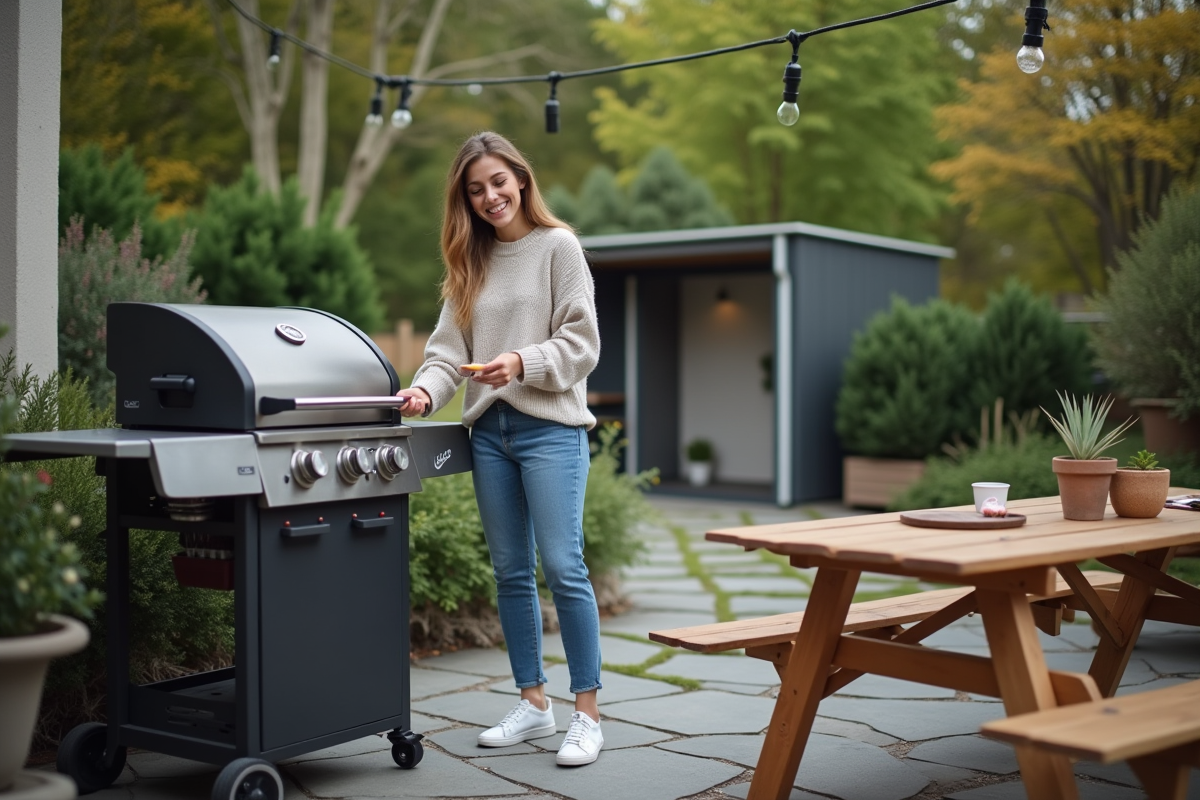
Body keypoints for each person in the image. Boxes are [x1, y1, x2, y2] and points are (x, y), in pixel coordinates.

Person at [394, 131, 604, 767]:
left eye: (498, 182)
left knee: (564, 570)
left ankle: (587, 716)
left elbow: (582, 342)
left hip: (550, 431)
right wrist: (426, 396)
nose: (490, 197)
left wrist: (519, 361)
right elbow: (445, 353)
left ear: (521, 179)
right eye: (475, 189)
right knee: (511, 574)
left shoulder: (557, 247)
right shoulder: (470, 263)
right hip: (489, 435)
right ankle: (534, 703)